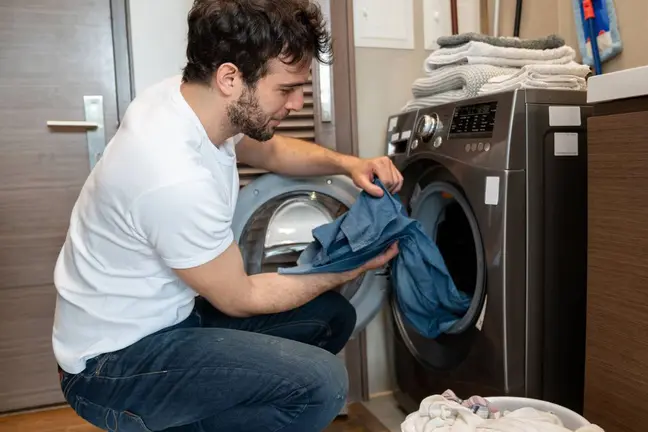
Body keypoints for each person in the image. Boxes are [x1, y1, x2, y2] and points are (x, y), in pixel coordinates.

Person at [51, 0, 403, 431]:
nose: (297, 103)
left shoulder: (191, 104)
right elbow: (241, 298)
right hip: (110, 364)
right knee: (321, 384)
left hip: (169, 317)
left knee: (331, 317)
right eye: (287, 88)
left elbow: (270, 149)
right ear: (230, 78)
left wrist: (348, 164)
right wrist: (353, 265)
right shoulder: (169, 172)